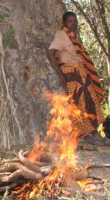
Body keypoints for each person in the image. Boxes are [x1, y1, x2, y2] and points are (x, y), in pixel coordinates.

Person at [48, 11, 110, 146]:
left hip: (81, 73)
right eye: (70, 21)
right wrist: (59, 74)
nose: (73, 23)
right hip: (72, 74)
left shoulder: (74, 37)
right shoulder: (61, 35)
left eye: (75, 21)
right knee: (80, 104)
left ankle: (93, 133)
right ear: (64, 23)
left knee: (91, 102)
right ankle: (86, 135)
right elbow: (51, 52)